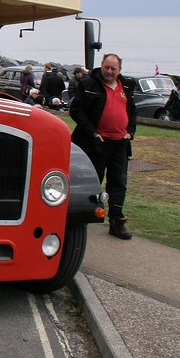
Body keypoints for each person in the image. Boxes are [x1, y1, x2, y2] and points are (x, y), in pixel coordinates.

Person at [69, 53, 137, 239]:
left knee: (118, 183)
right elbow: (76, 110)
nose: (109, 71)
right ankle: (85, 217)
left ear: (119, 70)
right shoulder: (88, 84)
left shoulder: (127, 86)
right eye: (107, 67)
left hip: (120, 144)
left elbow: (132, 110)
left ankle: (116, 221)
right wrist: (93, 132)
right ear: (102, 66)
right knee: (92, 181)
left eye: (113, 69)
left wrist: (130, 131)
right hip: (95, 143)